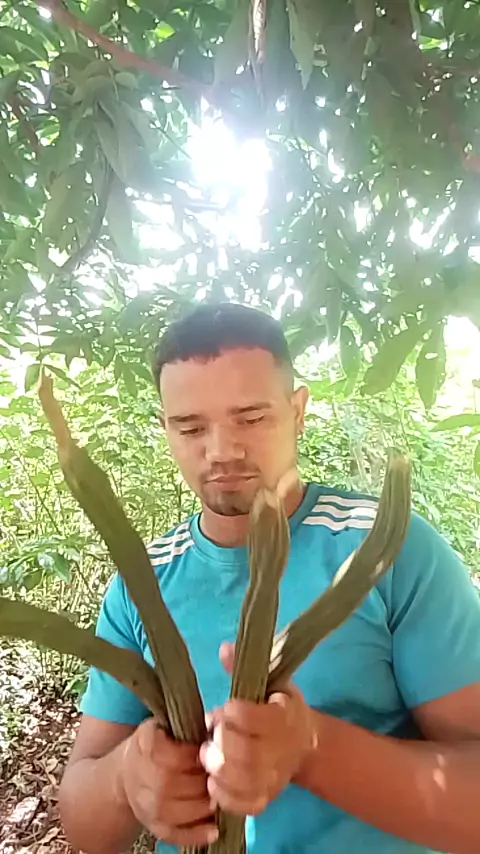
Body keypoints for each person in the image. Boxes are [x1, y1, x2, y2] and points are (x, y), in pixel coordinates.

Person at [59, 302, 480, 854]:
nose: (221, 450)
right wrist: (124, 780)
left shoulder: (388, 548)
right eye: (191, 427)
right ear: (166, 429)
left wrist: (311, 749)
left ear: (298, 410)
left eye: (251, 418)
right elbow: (85, 827)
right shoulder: (142, 585)